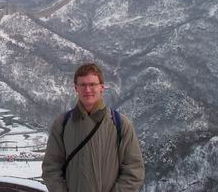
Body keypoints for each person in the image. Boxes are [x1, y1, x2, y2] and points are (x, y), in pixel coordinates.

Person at [42, 63, 144, 192]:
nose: (87, 89)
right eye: (83, 85)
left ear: (102, 87)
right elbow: (51, 167)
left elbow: (134, 170)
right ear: (76, 88)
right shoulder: (62, 124)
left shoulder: (121, 124)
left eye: (92, 84)